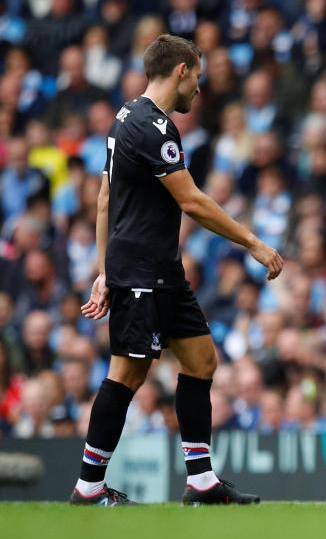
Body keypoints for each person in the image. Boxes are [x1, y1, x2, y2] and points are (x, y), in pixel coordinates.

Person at [70, 35, 284, 506]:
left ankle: (202, 480)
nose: (199, 91)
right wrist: (253, 242)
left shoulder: (123, 116)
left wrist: (104, 269)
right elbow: (191, 201)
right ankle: (88, 487)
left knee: (202, 360)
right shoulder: (154, 128)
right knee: (127, 374)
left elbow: (106, 198)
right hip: (142, 271)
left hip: (158, 269)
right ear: (182, 70)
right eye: (198, 78)